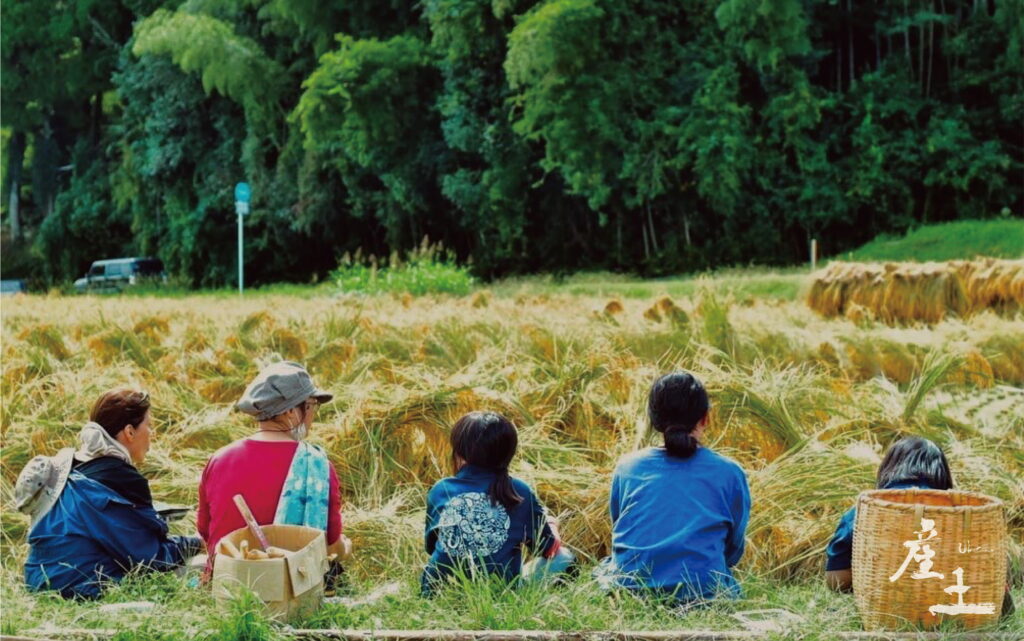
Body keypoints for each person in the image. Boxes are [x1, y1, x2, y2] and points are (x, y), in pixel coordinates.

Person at [18, 389, 202, 599]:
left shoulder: (70, 467)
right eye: (148, 425)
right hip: (80, 592)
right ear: (129, 432)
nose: (152, 433)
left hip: (38, 585)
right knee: (202, 568)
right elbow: (149, 558)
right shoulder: (122, 477)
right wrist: (195, 542)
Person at [597, 371, 750, 604]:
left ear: (654, 419)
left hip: (628, 590)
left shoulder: (627, 467)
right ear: (705, 418)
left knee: (603, 568)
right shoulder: (730, 472)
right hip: (704, 592)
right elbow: (734, 547)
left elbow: (621, 527)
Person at [824, 436, 1014, 615]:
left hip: (884, 598)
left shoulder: (865, 508)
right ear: (941, 472)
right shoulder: (966, 510)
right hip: (952, 599)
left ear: (889, 468)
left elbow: (835, 579)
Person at [197, 361, 350, 576]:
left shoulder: (218, 459)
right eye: (311, 405)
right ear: (289, 411)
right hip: (286, 592)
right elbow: (330, 548)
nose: (313, 415)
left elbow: (205, 532)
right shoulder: (316, 465)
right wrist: (346, 549)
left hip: (225, 585)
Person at [421, 411, 574, 595]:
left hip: (440, 592)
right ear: (509, 452)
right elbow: (548, 550)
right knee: (564, 557)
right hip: (500, 595)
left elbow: (432, 547)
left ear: (459, 451)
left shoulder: (441, 489)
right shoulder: (518, 491)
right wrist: (550, 523)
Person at [825, 436, 954, 592]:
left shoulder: (868, 505)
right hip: (939, 585)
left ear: (891, 467)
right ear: (941, 471)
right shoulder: (956, 507)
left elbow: (835, 575)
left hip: (880, 587)